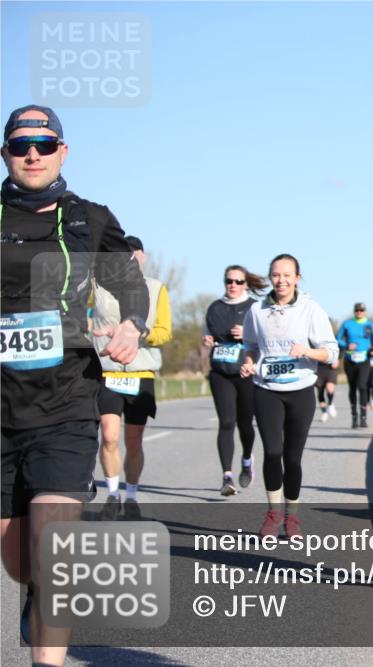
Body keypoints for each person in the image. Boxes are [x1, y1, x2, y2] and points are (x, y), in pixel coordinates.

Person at [1, 104, 148, 666]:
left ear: (63, 150)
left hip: (66, 403)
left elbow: (129, 284)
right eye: (20, 145)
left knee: (54, 549)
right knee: (20, 559)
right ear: (6, 154)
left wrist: (131, 325)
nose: (32, 153)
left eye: (43, 143)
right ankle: (36, 589)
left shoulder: (88, 217)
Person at [240, 254, 337, 538]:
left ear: (297, 278)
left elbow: (331, 352)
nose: (280, 280)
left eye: (286, 275)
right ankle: (273, 513)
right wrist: (247, 361)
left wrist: (306, 351)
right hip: (267, 389)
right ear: (270, 278)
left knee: (292, 459)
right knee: (272, 452)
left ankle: (292, 517)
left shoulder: (310, 309)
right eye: (275, 275)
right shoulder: (257, 310)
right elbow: (249, 346)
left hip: (301, 392)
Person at [92, 235, 172, 520]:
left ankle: (132, 496)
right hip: (107, 371)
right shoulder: (97, 285)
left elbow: (164, 330)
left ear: (142, 256)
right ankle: (112, 496)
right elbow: (83, 316)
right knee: (110, 437)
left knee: (134, 440)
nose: (130, 259)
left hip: (140, 370)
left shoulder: (155, 288)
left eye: (134, 254)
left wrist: (139, 333)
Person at [203, 265, 266, 495]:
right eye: (229, 281)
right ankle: (227, 476)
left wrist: (248, 333)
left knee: (245, 424)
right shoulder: (215, 308)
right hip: (220, 372)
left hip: (246, 373)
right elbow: (207, 331)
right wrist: (207, 339)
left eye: (238, 282)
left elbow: (266, 339)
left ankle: (247, 459)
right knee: (226, 422)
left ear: (246, 284)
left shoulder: (255, 308)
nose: (233, 285)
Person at [335, 302, 373, 428]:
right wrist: (347, 345)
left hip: (364, 359)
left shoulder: (370, 325)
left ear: (365, 311)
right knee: (352, 387)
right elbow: (337, 339)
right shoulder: (347, 324)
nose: (359, 312)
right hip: (350, 359)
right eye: (357, 310)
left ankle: (363, 417)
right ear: (354, 311)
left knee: (362, 386)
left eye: (361, 310)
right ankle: (354, 416)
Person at [315, 357, 338, 423]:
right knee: (320, 391)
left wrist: (337, 359)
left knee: (330, 388)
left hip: (330, 367)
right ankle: (324, 413)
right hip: (318, 368)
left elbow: (341, 349)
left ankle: (330, 404)